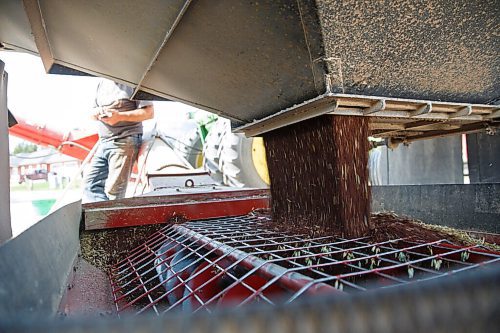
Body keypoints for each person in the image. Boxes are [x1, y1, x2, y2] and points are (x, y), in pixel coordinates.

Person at [82, 78, 154, 203]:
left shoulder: (135, 81)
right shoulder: (102, 83)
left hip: (125, 141)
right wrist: (98, 113)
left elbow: (149, 112)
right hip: (104, 142)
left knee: (115, 192)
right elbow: (91, 113)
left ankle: (111, 218)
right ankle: (104, 216)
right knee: (90, 185)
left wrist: (119, 116)